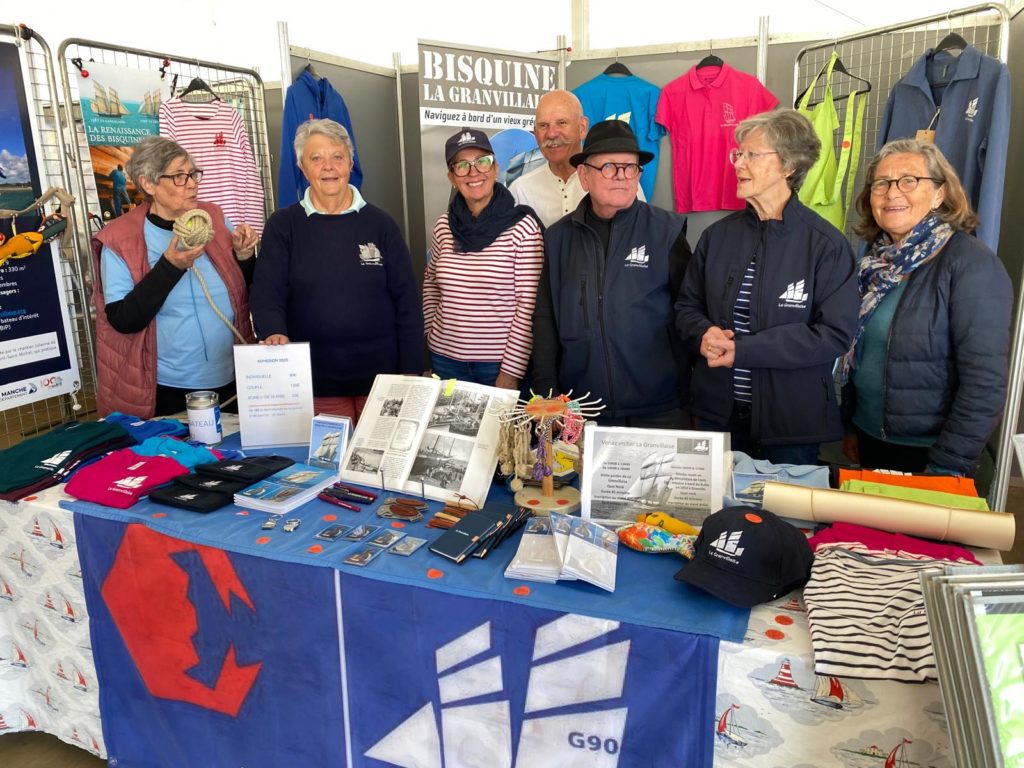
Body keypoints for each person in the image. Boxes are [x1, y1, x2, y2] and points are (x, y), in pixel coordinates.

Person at [675, 109, 858, 464]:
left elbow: (834, 335)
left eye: (752, 155)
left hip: (791, 425)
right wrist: (703, 333)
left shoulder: (826, 245)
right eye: (738, 154)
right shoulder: (716, 237)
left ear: (789, 165)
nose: (738, 164)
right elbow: (686, 307)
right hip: (718, 417)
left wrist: (744, 350)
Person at [840, 139, 1012, 477]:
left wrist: (949, 464)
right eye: (881, 183)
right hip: (870, 437)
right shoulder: (874, 264)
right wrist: (851, 425)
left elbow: (985, 383)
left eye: (909, 180)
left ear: (939, 194)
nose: (892, 193)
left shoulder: (972, 265)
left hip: (931, 453)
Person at [251, 119, 422, 423]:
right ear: (302, 167)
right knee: (328, 455)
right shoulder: (283, 226)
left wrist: (411, 371)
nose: (328, 166)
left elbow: (407, 303)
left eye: (337, 157)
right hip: (315, 384)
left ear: (350, 163)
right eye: (316, 158)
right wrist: (273, 332)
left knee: (379, 453)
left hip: (383, 383)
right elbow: (267, 294)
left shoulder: (381, 225)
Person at [532, 120, 691, 427]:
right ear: (584, 176)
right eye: (609, 167)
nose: (621, 176)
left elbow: (690, 311)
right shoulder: (558, 238)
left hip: (659, 408)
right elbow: (545, 318)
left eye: (630, 167)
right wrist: (547, 392)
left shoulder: (666, 231)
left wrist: (692, 394)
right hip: (581, 408)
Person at [92, 136, 259, 419]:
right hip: (167, 389)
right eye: (179, 176)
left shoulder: (213, 218)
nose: (192, 183)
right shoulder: (119, 238)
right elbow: (122, 319)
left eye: (193, 174)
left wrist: (245, 257)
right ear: (148, 184)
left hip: (233, 377)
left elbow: (247, 290)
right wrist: (170, 266)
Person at [422, 128, 544, 390]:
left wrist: (511, 371)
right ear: (451, 177)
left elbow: (528, 305)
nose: (474, 172)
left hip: (497, 365)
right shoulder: (443, 226)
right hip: (444, 360)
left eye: (482, 162)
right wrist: (430, 335)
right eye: (462, 166)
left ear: (496, 168)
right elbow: (431, 284)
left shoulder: (523, 227)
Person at [510, 90, 645, 227]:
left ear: (582, 128)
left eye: (561, 123)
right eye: (543, 125)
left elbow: (639, 231)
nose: (551, 134)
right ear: (535, 132)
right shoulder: (521, 190)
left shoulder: (619, 182)